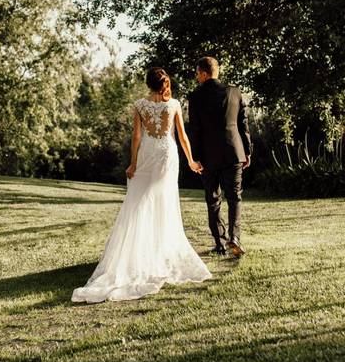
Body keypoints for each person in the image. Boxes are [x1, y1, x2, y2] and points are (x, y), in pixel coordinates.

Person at [72, 67, 212, 303]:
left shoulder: (139, 105)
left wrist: (133, 163)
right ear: (164, 83)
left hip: (148, 154)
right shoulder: (175, 104)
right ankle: (158, 253)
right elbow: (182, 136)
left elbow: (136, 137)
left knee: (139, 203)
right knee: (164, 203)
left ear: (148, 84)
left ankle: (138, 255)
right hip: (167, 155)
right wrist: (191, 160)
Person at [187, 56, 252, 258]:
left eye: (198, 73)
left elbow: (195, 130)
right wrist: (247, 151)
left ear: (204, 73)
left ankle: (220, 243)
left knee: (213, 199)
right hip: (234, 152)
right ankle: (235, 237)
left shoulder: (195, 97)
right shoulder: (234, 92)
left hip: (207, 156)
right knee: (234, 197)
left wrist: (195, 157)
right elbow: (243, 124)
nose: (197, 77)